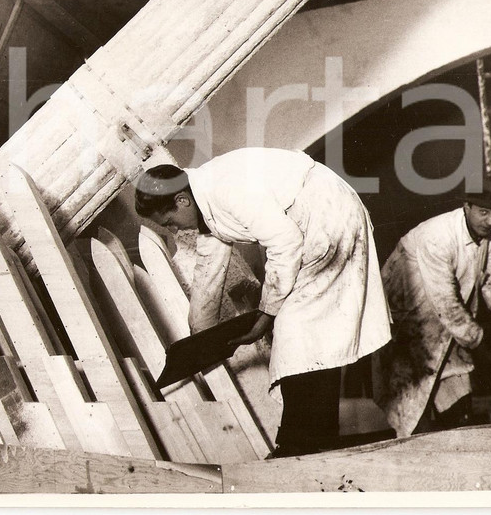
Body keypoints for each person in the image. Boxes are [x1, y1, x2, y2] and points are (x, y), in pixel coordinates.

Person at [134, 147, 391, 457]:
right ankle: (314, 437)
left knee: (296, 328)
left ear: (181, 201)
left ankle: (300, 442)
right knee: (310, 335)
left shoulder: (226, 189)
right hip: (308, 223)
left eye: (171, 222)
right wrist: (200, 339)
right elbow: (209, 270)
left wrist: (266, 315)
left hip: (326, 216)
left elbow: (285, 243)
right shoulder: (203, 204)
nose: (177, 230)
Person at [373, 175, 491, 437]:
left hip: (446, 320)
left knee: (457, 392)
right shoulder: (437, 236)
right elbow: (446, 302)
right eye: (483, 212)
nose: (490, 221)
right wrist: (481, 345)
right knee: (413, 406)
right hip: (409, 321)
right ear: (467, 207)